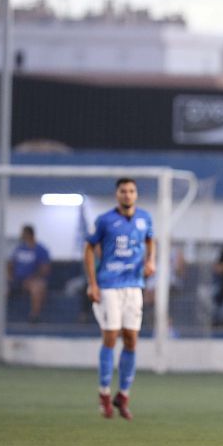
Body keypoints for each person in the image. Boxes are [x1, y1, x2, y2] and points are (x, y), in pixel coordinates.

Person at [84, 177, 156, 421]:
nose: (127, 195)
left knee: (132, 340)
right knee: (111, 337)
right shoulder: (104, 221)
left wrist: (150, 260)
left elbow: (150, 239)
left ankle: (122, 395)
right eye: (123, 191)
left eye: (131, 191)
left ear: (136, 194)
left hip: (134, 286)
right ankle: (104, 392)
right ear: (117, 194)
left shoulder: (145, 218)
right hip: (109, 285)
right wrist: (92, 283)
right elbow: (89, 248)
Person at [8, 225, 51, 322]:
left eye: (23, 234)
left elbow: (45, 269)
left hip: (33, 280)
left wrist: (32, 278)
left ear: (30, 234)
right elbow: (10, 265)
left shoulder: (41, 249)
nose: (22, 236)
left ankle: (34, 316)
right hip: (17, 280)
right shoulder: (19, 248)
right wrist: (10, 276)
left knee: (37, 288)